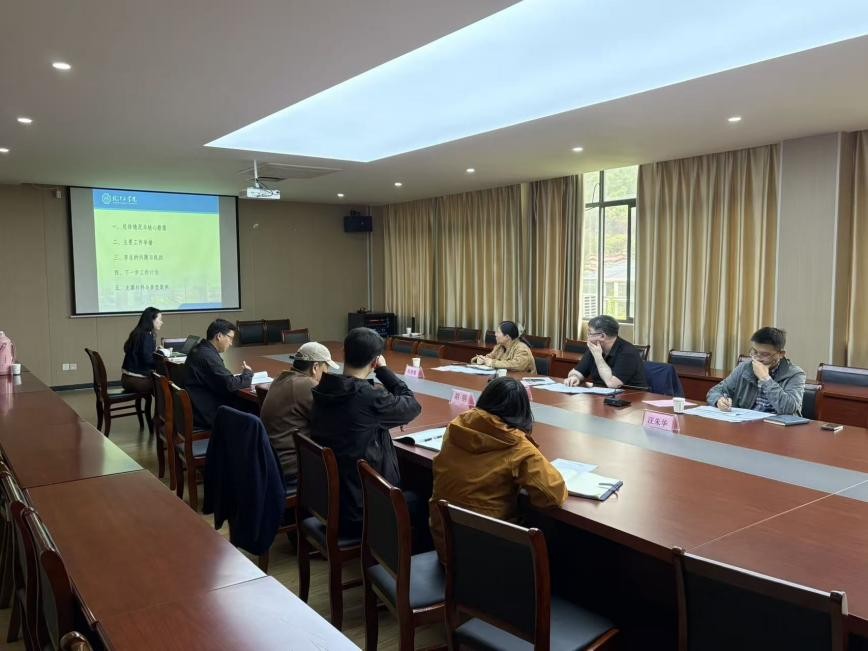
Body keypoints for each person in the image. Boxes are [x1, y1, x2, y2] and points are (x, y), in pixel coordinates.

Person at [429, 376, 567, 558]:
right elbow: (552, 496)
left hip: (446, 549)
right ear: (523, 412)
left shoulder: (455, 428)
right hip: (490, 561)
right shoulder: (517, 446)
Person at [310, 327, 421, 537]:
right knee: (424, 496)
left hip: (331, 502)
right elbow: (412, 405)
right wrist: (384, 371)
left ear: (344, 352)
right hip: (361, 509)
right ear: (375, 361)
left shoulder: (324, 387)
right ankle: (397, 553)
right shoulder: (368, 398)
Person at [260, 341, 338, 487]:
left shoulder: (281, 378)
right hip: (291, 467)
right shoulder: (307, 385)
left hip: (271, 460)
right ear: (315, 367)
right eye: (326, 369)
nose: (327, 375)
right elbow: (333, 421)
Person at [707, 327, 806, 415]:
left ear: (781, 354)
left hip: (778, 426)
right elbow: (715, 391)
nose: (758, 358)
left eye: (765, 354)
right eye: (754, 352)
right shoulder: (745, 368)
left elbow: (789, 409)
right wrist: (719, 400)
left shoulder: (795, 374)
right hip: (747, 423)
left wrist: (766, 379)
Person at [184, 319, 253, 429]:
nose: (231, 343)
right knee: (254, 407)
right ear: (219, 336)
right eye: (230, 338)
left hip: (198, 406)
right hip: (206, 414)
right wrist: (247, 374)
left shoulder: (200, 348)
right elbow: (230, 384)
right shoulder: (207, 356)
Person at [564, 315, 646, 389]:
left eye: (590, 333)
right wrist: (574, 377)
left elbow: (612, 384)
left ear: (602, 336)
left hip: (631, 396)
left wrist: (598, 357)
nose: (588, 337)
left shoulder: (627, 352)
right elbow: (576, 372)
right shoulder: (595, 348)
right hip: (600, 395)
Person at [121, 306, 163, 394]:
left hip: (126, 379)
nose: (162, 322)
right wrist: (162, 360)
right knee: (166, 386)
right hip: (137, 381)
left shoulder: (137, 332)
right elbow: (147, 360)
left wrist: (155, 350)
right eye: (160, 319)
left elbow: (140, 352)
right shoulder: (147, 335)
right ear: (151, 320)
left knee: (162, 383)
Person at [470, 321, 536, 373]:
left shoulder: (522, 349)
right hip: (505, 379)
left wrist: (492, 363)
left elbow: (517, 365)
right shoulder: (499, 346)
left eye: (498, 332)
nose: (495, 334)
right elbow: (489, 357)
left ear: (507, 337)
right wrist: (481, 360)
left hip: (521, 381)